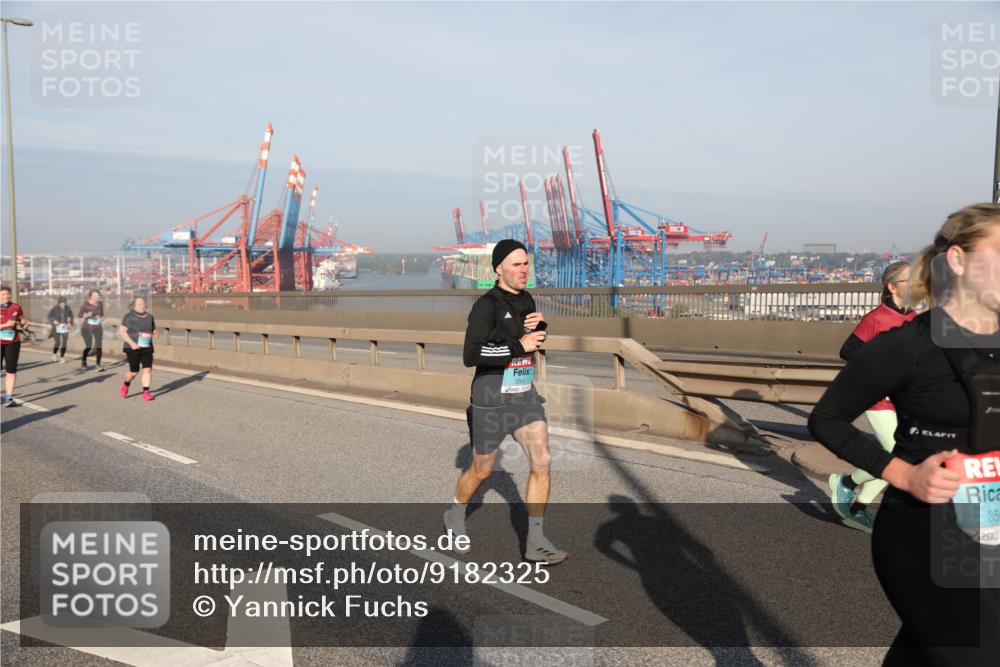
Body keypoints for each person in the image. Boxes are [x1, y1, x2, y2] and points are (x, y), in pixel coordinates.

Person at [809, 203, 1000, 665]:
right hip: (923, 531)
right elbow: (827, 418)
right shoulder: (907, 345)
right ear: (958, 261)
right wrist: (905, 475)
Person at [443, 239, 568, 565]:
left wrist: (540, 330)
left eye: (526, 263)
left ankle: (535, 542)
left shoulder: (526, 298)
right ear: (498, 268)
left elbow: (528, 340)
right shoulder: (485, 306)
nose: (524, 270)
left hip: (523, 393)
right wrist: (518, 345)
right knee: (482, 471)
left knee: (542, 460)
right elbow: (471, 355)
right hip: (491, 398)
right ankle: (455, 515)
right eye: (516, 264)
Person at [828, 261, 916, 531]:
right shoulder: (876, 318)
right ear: (892, 287)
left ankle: (857, 508)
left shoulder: (914, 318)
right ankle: (846, 483)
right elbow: (848, 350)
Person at [118, 296, 157, 401]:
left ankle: (146, 392)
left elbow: (152, 329)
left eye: (143, 303)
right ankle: (126, 384)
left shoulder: (150, 316)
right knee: (134, 372)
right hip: (132, 347)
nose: (142, 305)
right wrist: (131, 343)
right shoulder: (128, 317)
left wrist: (155, 332)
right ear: (134, 305)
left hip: (147, 346)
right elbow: (122, 331)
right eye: (139, 304)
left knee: (147, 369)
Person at [0, 285, 28, 407]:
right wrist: (4, 325)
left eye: (7, 294)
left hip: (13, 342)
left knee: (11, 370)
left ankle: (9, 397)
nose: (6, 296)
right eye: (3, 294)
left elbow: (22, 320)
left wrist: (24, 323)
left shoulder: (16, 307)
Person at [78, 290, 105, 371]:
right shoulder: (85, 305)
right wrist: (86, 315)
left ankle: (98, 364)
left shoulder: (100, 304)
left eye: (98, 296)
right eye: (94, 296)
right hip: (87, 328)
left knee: (99, 345)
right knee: (88, 346)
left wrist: (102, 318)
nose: (96, 297)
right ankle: (83, 361)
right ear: (90, 296)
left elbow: (102, 314)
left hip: (97, 327)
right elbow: (80, 316)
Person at [47, 296, 74, 363]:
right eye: (61, 303)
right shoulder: (54, 309)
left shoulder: (68, 308)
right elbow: (49, 316)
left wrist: (70, 323)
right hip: (56, 327)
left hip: (64, 327)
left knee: (64, 343)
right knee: (57, 343)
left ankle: (62, 357)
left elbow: (71, 316)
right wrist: (53, 321)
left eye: (64, 303)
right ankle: (54, 354)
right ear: (58, 303)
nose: (63, 305)